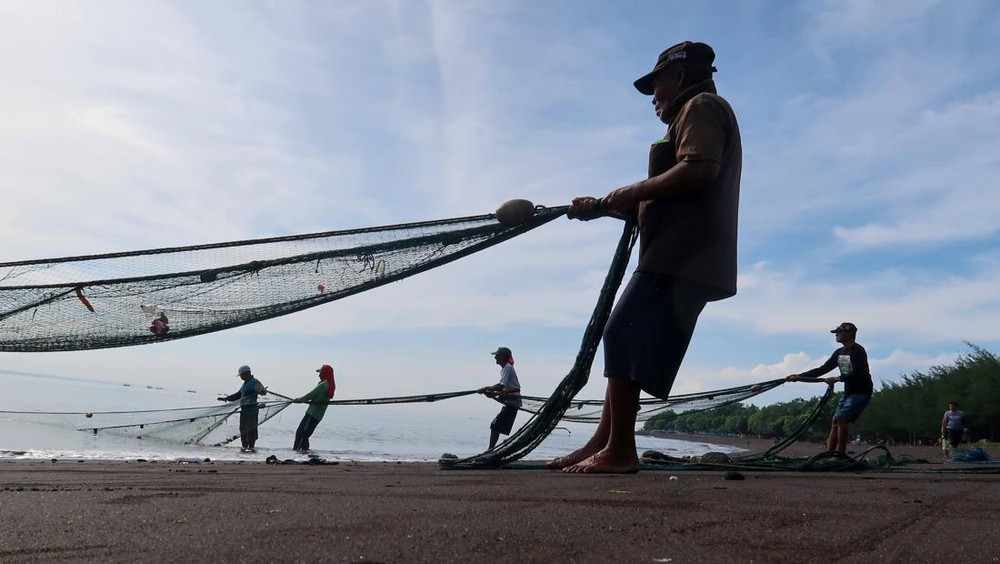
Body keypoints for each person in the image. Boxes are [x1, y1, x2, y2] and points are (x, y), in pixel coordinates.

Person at [553, 40, 742, 474]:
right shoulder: (689, 113)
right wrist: (602, 206)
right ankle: (604, 441)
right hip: (675, 252)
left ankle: (620, 451)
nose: (653, 98)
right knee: (629, 342)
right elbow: (665, 193)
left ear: (676, 77)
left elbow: (698, 168)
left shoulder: (702, 106)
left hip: (682, 254)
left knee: (621, 334)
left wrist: (629, 191)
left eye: (655, 86)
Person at [786, 322, 874, 455]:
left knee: (842, 419)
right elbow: (823, 369)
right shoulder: (840, 353)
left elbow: (858, 373)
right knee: (835, 422)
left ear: (849, 334)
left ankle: (840, 456)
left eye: (839, 332)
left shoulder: (857, 350)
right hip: (849, 392)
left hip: (861, 392)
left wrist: (837, 379)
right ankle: (829, 454)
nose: (836, 335)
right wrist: (799, 377)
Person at [477, 346, 522, 450]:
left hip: (513, 402)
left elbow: (500, 386)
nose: (495, 358)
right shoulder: (505, 369)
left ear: (503, 357)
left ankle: (490, 450)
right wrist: (491, 393)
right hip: (510, 401)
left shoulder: (508, 368)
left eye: (497, 356)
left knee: (495, 425)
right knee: (496, 426)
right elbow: (502, 390)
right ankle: (491, 449)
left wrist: (485, 388)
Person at [217, 365, 267, 452]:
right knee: (243, 430)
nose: (241, 377)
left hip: (252, 411)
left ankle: (251, 449)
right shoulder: (245, 384)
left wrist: (262, 391)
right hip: (244, 411)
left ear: (247, 373)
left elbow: (263, 393)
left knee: (251, 430)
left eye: (241, 375)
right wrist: (227, 398)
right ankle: (244, 448)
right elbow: (239, 395)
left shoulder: (255, 382)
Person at [292, 364, 336, 452]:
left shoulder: (323, 385)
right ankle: (304, 453)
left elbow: (310, 395)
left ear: (325, 373)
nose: (319, 375)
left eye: (320, 372)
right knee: (305, 435)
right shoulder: (329, 385)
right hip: (318, 416)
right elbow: (314, 397)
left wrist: (299, 400)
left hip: (312, 414)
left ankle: (296, 452)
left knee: (301, 433)